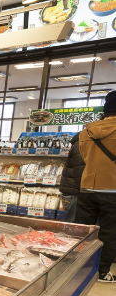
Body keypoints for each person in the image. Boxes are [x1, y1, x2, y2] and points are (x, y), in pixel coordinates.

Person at [75, 90, 116, 282]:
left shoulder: (87, 131)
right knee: (109, 233)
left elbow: (85, 158)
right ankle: (101, 272)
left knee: (83, 231)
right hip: (113, 190)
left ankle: (76, 268)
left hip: (88, 188)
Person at [59, 134, 84, 222]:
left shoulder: (78, 143)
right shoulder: (83, 144)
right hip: (78, 190)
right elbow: (80, 170)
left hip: (71, 188)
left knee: (73, 222)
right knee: (74, 223)